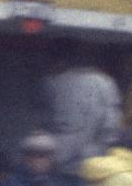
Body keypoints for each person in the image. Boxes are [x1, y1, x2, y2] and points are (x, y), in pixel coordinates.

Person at [41, 42, 123, 174]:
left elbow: (46, 121)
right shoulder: (106, 83)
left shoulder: (53, 83)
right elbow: (111, 125)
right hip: (94, 164)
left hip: (60, 165)